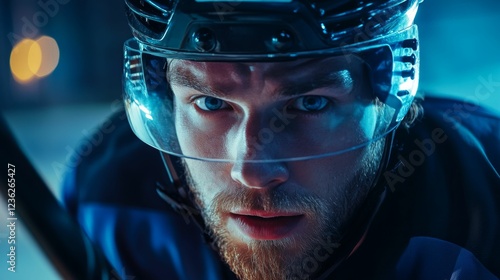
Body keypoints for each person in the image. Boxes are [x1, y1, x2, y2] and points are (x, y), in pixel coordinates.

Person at [62, 0, 500, 279]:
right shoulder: (110, 203)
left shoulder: (485, 203)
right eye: (212, 104)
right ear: (164, 100)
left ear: (386, 97)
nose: (252, 171)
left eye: (309, 103)